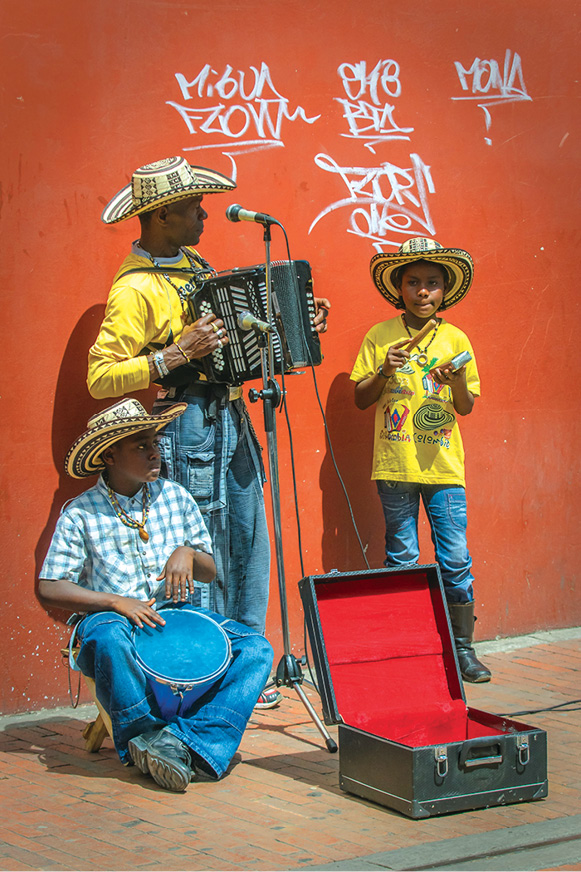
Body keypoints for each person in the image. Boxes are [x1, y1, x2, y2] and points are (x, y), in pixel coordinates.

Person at [87, 157, 330, 708]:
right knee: (206, 546)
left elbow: (235, 348)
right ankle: (207, 673)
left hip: (230, 419)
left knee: (247, 541)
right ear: (164, 215)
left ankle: (247, 665)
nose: (204, 215)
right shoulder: (136, 288)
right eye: (195, 207)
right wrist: (173, 355)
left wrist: (296, 327)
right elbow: (101, 376)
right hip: (186, 427)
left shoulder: (194, 264)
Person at [38, 398, 273, 792]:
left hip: (173, 618)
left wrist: (186, 552)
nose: (156, 452)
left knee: (256, 648)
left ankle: (185, 741)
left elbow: (209, 569)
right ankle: (143, 736)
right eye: (142, 445)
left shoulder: (176, 497)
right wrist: (115, 601)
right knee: (110, 635)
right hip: (110, 622)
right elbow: (49, 587)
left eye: (156, 441)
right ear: (109, 456)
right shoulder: (80, 513)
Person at [350, 237, 491, 683]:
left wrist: (455, 383)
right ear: (399, 288)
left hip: (445, 469)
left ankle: (463, 648)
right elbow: (359, 398)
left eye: (433, 283)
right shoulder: (380, 336)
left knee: (454, 557)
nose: (423, 291)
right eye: (414, 283)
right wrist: (384, 371)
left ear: (445, 290)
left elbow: (466, 406)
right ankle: (408, 648)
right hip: (395, 467)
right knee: (403, 556)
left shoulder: (456, 338)